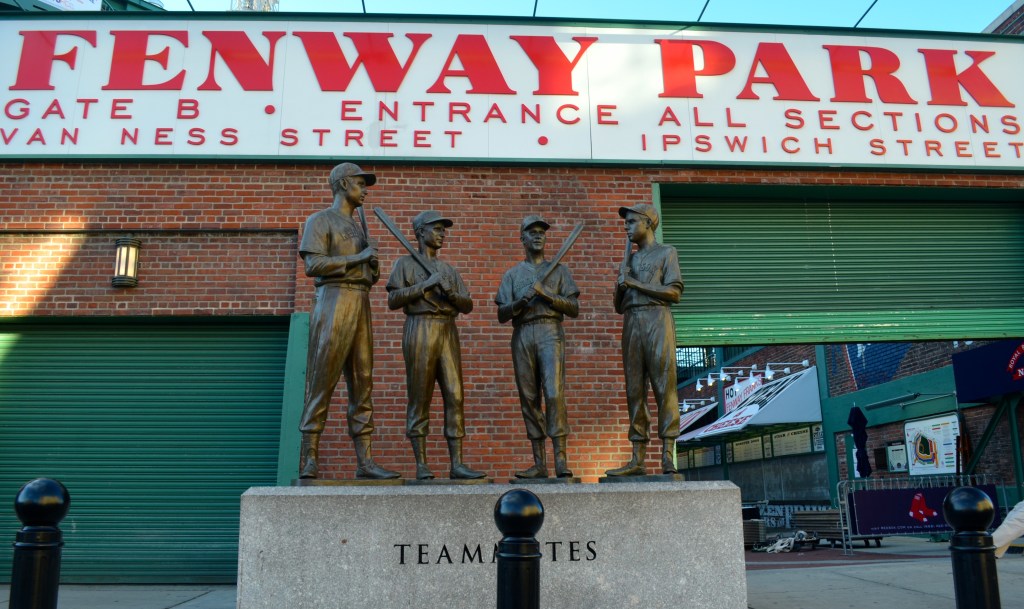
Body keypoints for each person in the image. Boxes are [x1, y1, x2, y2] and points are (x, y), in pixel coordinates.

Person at [297, 162, 400, 480]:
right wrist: (359, 257)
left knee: (363, 380)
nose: (365, 190)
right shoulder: (320, 220)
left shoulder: (358, 227)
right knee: (322, 379)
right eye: (360, 183)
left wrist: (372, 266)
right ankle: (309, 458)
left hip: (360, 300)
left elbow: (369, 275)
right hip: (333, 299)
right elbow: (314, 265)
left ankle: (365, 461)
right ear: (343, 184)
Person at [386, 211, 487, 480]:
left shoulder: (448, 269)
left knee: (455, 395)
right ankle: (421, 463)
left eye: (444, 229)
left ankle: (457, 463)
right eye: (437, 229)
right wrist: (425, 285)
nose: (443, 234)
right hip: (420, 327)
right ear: (421, 232)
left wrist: (450, 293)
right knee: (420, 396)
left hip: (447, 329)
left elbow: (467, 305)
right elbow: (393, 300)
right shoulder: (404, 264)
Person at [496, 216, 580, 478]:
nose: (538, 236)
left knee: (554, 394)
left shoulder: (559, 271)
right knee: (529, 398)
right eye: (532, 232)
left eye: (542, 232)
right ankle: (539, 463)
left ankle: (561, 460)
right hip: (522, 332)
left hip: (550, 331)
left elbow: (573, 308)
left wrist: (546, 294)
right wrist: (520, 302)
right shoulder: (512, 274)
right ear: (522, 238)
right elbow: (501, 314)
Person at [605, 203, 683, 477]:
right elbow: (618, 306)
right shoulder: (629, 260)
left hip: (657, 318)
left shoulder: (666, 252)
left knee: (665, 386)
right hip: (632, 321)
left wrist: (635, 283)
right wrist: (621, 284)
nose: (626, 227)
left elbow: (674, 293)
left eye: (631, 222)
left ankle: (667, 456)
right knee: (634, 390)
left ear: (648, 223)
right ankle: (637, 458)